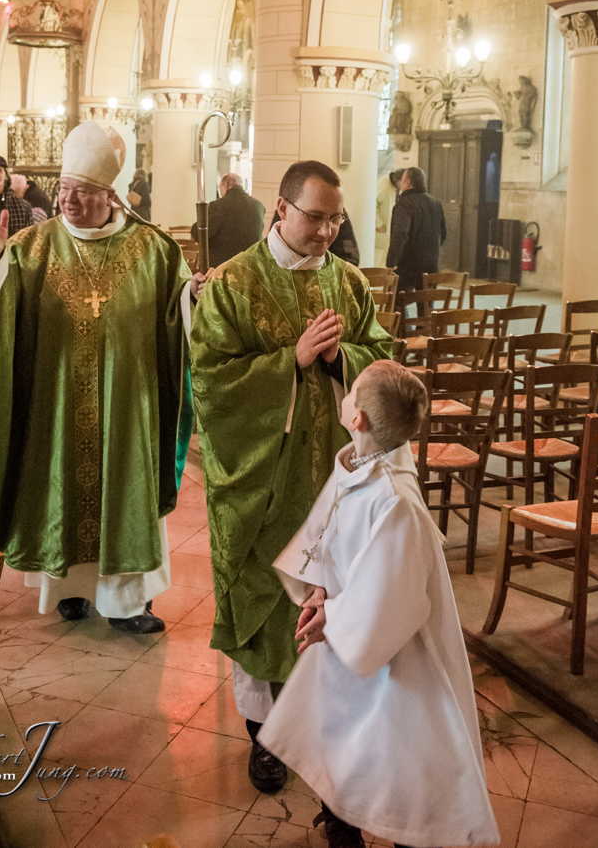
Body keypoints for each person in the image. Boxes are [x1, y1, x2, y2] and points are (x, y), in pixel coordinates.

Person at [191, 160, 392, 795]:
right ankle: (264, 734)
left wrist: (343, 358)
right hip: (259, 483)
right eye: (315, 217)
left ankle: (326, 719)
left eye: (337, 219)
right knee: (261, 601)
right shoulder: (233, 284)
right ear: (281, 209)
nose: (328, 231)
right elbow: (211, 379)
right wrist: (292, 361)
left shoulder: (351, 285)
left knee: (328, 600)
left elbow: (382, 360)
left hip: (334, 484)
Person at [0, 121, 193, 633]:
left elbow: (182, 326)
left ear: (110, 194)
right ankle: (66, 589)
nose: (68, 201)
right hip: (58, 399)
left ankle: (127, 602)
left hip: (129, 405)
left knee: (124, 489)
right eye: (64, 189)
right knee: (61, 485)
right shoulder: (32, 246)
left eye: (82, 193)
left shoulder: (155, 250)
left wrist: (197, 297)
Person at [259, 360, 499, 848]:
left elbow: (395, 597)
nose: (345, 400)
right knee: (339, 741)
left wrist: (336, 617)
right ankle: (341, 824)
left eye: (352, 397)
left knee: (399, 765)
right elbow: (327, 536)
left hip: (396, 661)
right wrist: (320, 588)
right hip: (347, 639)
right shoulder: (356, 466)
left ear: (358, 419)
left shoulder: (396, 501)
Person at [386, 166, 446, 292]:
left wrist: (391, 262)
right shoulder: (436, 203)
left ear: (408, 182)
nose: (400, 183)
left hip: (408, 267)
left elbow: (400, 234)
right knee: (426, 307)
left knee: (394, 301)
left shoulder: (404, 203)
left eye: (402, 179)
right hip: (431, 265)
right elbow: (443, 233)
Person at [189, 172, 265, 268]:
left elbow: (198, 234)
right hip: (249, 268)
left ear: (227, 185)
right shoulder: (258, 206)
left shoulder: (218, 206)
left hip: (221, 271)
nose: (221, 193)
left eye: (220, 188)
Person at [375, 168, 403, 266]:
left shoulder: (396, 188)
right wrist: (378, 223)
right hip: (381, 229)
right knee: (380, 260)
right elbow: (372, 204)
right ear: (398, 180)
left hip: (392, 229)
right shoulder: (383, 185)